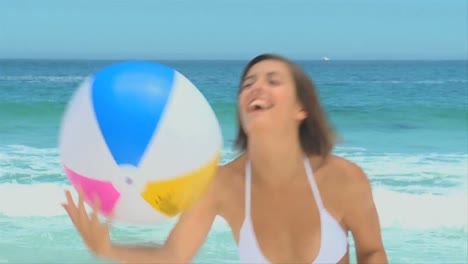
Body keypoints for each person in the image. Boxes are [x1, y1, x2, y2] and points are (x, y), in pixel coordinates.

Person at [63, 53, 388, 264]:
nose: (256, 87)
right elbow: (174, 255)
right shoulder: (220, 184)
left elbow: (372, 252)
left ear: (301, 108)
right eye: (248, 83)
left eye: (273, 81)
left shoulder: (342, 178)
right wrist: (107, 248)